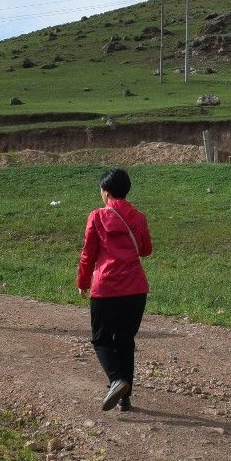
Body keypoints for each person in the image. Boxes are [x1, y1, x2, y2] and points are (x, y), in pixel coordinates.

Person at [77, 167, 152, 412]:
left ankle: (116, 380)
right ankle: (125, 398)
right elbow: (146, 250)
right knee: (125, 341)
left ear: (106, 192)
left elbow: (88, 254)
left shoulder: (97, 217)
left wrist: (82, 282)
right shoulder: (138, 217)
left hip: (106, 288)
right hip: (135, 289)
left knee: (101, 340)